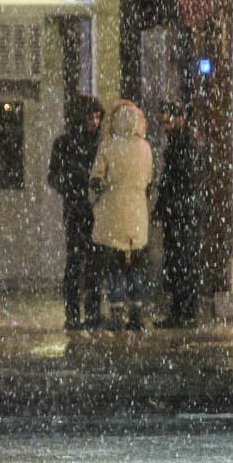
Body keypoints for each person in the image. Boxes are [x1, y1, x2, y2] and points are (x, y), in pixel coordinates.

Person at [90, 100, 156, 331]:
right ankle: (137, 309)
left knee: (115, 265)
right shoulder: (145, 148)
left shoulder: (108, 146)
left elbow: (96, 180)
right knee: (136, 264)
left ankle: (117, 309)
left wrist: (94, 201)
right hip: (137, 214)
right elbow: (148, 179)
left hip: (112, 214)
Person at [47, 96, 106, 331]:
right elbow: (54, 176)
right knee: (77, 262)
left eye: (97, 117)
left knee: (91, 264)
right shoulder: (66, 144)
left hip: (90, 209)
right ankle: (75, 313)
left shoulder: (99, 144)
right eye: (90, 117)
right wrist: (73, 185)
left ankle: (89, 312)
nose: (94, 122)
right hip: (77, 209)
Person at [155, 104, 204, 327]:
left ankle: (183, 311)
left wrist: (167, 202)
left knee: (180, 261)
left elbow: (177, 179)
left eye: (168, 122)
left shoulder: (183, 144)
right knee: (180, 261)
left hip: (180, 211)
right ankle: (182, 310)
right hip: (181, 210)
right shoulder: (183, 142)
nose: (165, 127)